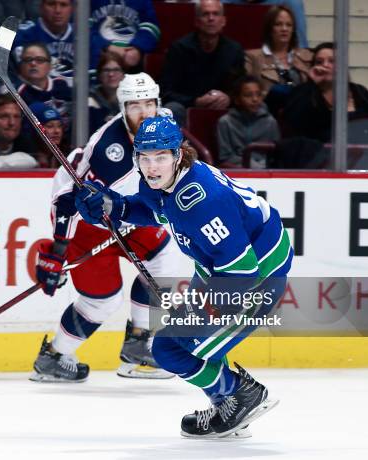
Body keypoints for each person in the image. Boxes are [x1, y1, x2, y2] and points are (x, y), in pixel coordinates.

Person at [75, 115, 293, 438]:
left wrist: (201, 311)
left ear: (179, 154)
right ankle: (230, 403)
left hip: (256, 278)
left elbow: (242, 272)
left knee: (174, 348)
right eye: (145, 157)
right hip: (218, 270)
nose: (152, 167)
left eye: (161, 157)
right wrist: (113, 205)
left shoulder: (203, 202)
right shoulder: (161, 180)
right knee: (175, 344)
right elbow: (153, 209)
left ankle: (240, 395)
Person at [30, 72, 181, 383]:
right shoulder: (110, 153)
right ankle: (55, 357)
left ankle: (138, 345)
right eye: (135, 106)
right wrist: (59, 249)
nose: (145, 113)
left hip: (124, 212)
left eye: (149, 104)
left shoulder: (164, 122)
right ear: (123, 107)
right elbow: (68, 201)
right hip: (85, 222)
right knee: (102, 300)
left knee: (162, 260)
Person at [283, 42, 368, 170]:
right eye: (319, 62)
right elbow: (293, 122)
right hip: (318, 164)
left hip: (362, 164)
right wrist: (312, 83)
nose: (325, 65)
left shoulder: (360, 92)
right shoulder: (304, 92)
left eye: (331, 61)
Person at [160, 0, 245, 126]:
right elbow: (165, 92)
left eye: (216, 14)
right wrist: (196, 101)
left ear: (223, 21)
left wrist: (229, 98)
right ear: (197, 21)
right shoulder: (179, 49)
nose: (211, 18)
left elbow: (241, 87)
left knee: (256, 106)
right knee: (172, 109)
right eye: (205, 14)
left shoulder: (234, 50)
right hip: (187, 106)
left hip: (226, 107)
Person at [245, 5, 311, 116]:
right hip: (266, 116)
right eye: (278, 24)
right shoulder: (252, 57)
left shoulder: (307, 56)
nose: (284, 29)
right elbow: (246, 92)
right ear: (270, 28)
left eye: (289, 25)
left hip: (301, 117)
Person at [217, 75, 280, 168]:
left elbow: (276, 153)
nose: (255, 99)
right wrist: (250, 164)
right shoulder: (225, 122)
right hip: (238, 168)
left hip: (266, 168)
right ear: (237, 99)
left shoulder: (270, 122)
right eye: (248, 95)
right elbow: (225, 156)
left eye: (258, 95)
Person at [89, 0, 160, 71]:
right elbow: (82, 30)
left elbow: (151, 27)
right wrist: (106, 47)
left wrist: (137, 48)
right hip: (97, 56)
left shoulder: (143, 2)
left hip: (131, 56)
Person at [13, 0, 75, 79]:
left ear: (72, 9)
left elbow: (91, 73)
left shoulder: (86, 36)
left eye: (63, 5)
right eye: (51, 4)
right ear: (41, 7)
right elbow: (30, 75)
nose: (57, 10)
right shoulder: (24, 35)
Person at [16, 43, 72, 124]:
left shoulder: (61, 83)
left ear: (50, 66)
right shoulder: (18, 93)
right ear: (21, 66)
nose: (33, 63)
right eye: (28, 60)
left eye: (40, 60)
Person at [221, 0, 308, 48]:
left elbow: (300, 45)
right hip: (232, 66)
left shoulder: (289, 2)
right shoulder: (220, 3)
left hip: (272, 68)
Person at [88, 50, 126, 135]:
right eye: (106, 70)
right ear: (99, 75)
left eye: (116, 69)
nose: (111, 74)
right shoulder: (90, 100)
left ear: (123, 74)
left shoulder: (131, 100)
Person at [29, 102, 67, 168]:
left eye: (59, 126)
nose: (57, 131)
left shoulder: (67, 157)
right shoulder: (27, 159)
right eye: (50, 126)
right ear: (36, 131)